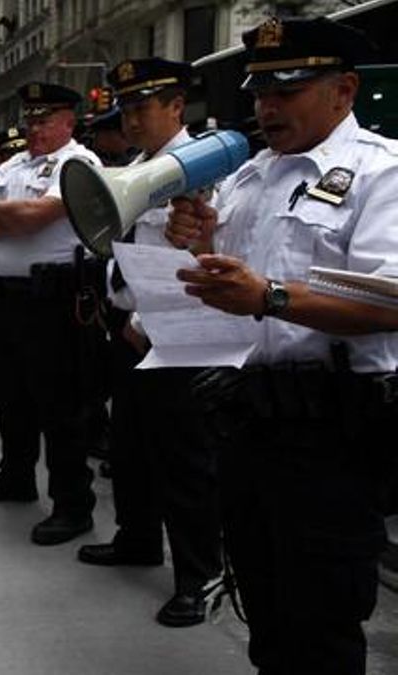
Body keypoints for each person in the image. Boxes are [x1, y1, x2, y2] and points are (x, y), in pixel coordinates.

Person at [165, 17, 398, 674]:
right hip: (248, 422)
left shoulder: (382, 173)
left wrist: (270, 296)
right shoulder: (249, 176)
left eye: (288, 90)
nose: (267, 107)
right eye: (261, 91)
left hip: (333, 432)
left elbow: (392, 300)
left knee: (322, 621)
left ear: (344, 90)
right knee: (263, 609)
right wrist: (201, 241)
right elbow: (233, 284)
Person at [74, 57, 222, 629]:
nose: (131, 120)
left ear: (176, 108)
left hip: (179, 339)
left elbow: (214, 256)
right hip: (128, 332)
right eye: (125, 109)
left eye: (143, 107)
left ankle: (198, 573)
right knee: (130, 448)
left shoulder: (206, 169)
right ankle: (137, 537)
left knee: (183, 461)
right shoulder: (134, 169)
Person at [0, 82, 105, 546]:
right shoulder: (14, 163)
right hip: (5, 296)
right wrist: (16, 214)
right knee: (12, 395)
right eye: (31, 119)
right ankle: (16, 477)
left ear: (69, 121)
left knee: (60, 405)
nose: (35, 127)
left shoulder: (79, 164)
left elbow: (37, 217)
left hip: (55, 299)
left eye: (45, 120)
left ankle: (72, 505)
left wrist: (4, 214)